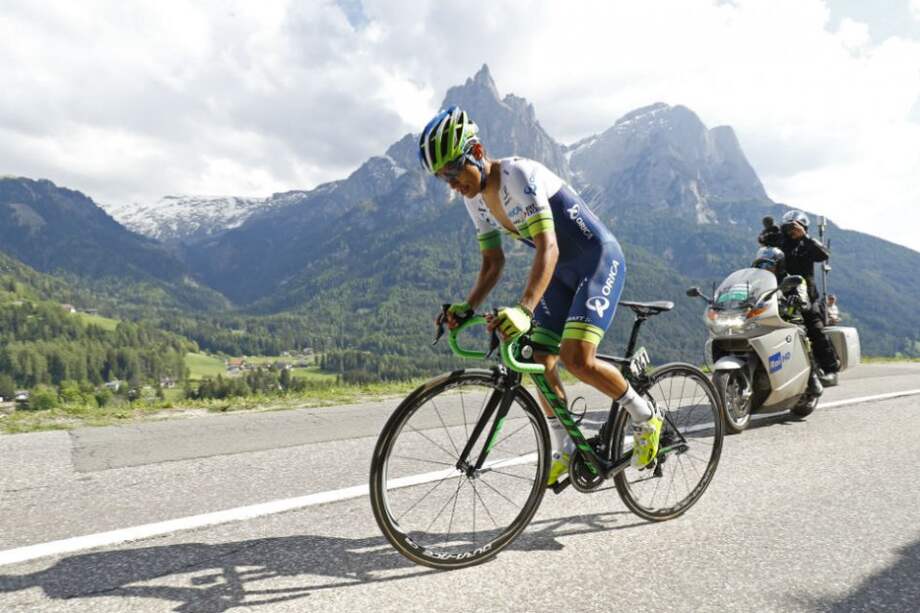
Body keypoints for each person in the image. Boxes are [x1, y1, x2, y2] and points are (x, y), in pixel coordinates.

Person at [419, 106, 662, 485]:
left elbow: (548, 246)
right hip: (562, 274)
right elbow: (493, 263)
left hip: (597, 260)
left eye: (453, 170)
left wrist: (524, 309)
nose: (452, 183)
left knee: (576, 359)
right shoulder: (474, 200)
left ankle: (646, 416)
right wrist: (467, 308)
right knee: (536, 358)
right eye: (442, 177)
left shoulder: (517, 174)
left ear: (478, 153)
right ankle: (566, 445)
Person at [758, 210, 840, 379]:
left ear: (804, 227)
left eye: (795, 227)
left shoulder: (808, 244)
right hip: (779, 292)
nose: (791, 231)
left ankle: (830, 368)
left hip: (806, 295)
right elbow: (763, 243)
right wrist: (768, 232)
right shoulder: (780, 241)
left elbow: (823, 254)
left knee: (815, 330)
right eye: (788, 227)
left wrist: (804, 237)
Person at [751, 247, 825, 394]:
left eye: (768, 265)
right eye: (760, 265)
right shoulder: (755, 284)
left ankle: (812, 377)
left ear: (780, 266)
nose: (764, 268)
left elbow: (805, 300)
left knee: (800, 333)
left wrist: (798, 299)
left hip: (788, 319)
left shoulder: (794, 280)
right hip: (762, 320)